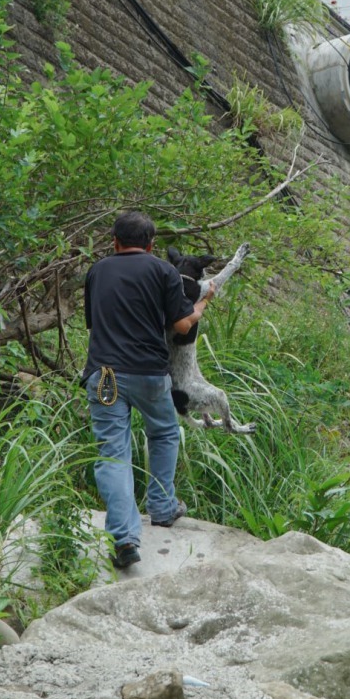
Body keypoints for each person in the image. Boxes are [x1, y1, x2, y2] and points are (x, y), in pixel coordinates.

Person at [82, 210, 215, 569]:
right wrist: (203, 302)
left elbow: (93, 323)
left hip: (106, 375)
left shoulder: (97, 271)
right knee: (164, 433)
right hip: (150, 375)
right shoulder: (164, 271)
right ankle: (162, 507)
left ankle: (125, 538)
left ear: (114, 242)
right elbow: (183, 323)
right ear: (152, 245)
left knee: (112, 452)